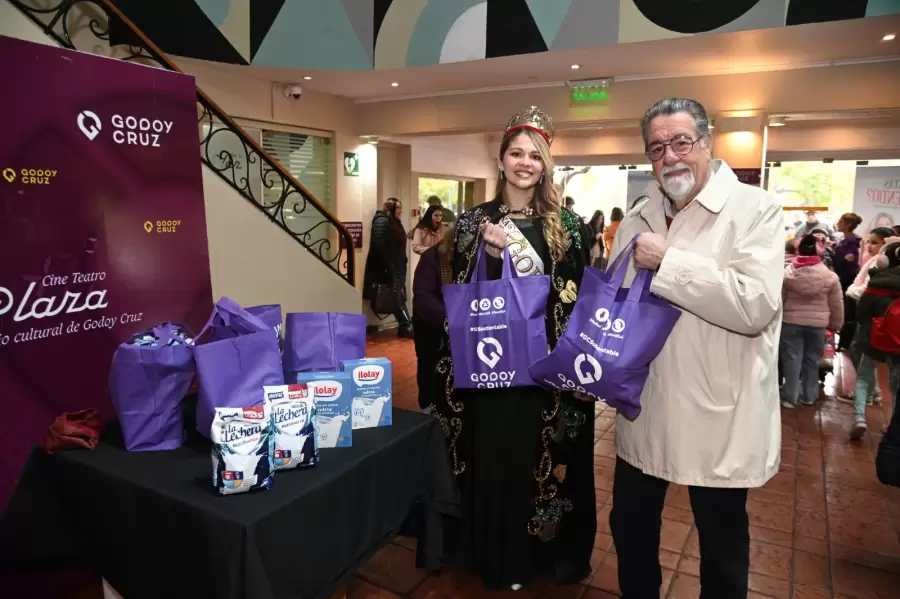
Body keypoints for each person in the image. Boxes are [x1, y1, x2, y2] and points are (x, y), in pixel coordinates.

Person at [608, 97, 784, 598]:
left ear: (708, 142)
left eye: (682, 141)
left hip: (717, 413)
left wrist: (670, 263)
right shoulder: (640, 215)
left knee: (722, 545)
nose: (671, 156)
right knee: (632, 529)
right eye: (657, 147)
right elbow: (615, 306)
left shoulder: (757, 210)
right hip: (644, 404)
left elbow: (755, 306)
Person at [432, 106, 595, 591]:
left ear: (546, 165)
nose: (526, 163)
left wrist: (579, 367)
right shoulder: (472, 223)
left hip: (545, 371)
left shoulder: (565, 223)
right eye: (516, 153)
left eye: (535, 156)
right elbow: (457, 296)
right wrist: (488, 254)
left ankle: (541, 553)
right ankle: (490, 552)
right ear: (500, 159)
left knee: (538, 460)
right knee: (492, 457)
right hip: (491, 368)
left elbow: (579, 295)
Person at [780, 234, 843, 408]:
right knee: (812, 360)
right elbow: (836, 304)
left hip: (790, 321)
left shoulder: (788, 273)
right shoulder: (830, 277)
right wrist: (836, 325)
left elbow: (781, 299)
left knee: (791, 359)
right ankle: (809, 396)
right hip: (818, 325)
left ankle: (790, 397)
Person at [849, 241, 900, 440]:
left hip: (872, 337)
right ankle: (894, 426)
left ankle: (860, 418)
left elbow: (862, 313)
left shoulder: (877, 281)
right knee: (896, 386)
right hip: (898, 343)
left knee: (863, 377)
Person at [412, 226, 454, 414]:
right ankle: (428, 405)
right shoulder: (432, 257)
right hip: (430, 323)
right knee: (429, 363)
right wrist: (450, 318)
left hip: (458, 323)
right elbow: (422, 294)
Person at [363, 197, 413, 337]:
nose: (400, 211)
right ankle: (406, 325)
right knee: (398, 298)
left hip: (398, 267)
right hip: (389, 268)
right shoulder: (382, 221)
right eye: (397, 208)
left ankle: (406, 325)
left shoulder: (395, 222)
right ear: (390, 209)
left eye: (400, 208)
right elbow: (378, 245)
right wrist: (388, 266)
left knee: (399, 297)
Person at [833, 213, 863, 351]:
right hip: (842, 280)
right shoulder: (845, 241)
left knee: (846, 313)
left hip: (845, 281)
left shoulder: (851, 243)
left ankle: (844, 345)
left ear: (848, 224)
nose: (838, 223)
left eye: (840, 221)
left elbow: (847, 265)